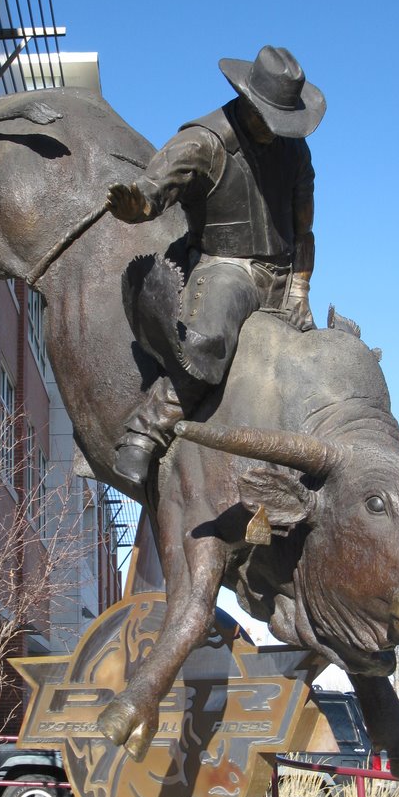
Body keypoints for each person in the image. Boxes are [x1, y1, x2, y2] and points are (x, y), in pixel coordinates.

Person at [107, 45, 326, 486]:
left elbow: (304, 229)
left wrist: (300, 291)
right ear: (248, 100)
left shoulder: (296, 154)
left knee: (316, 368)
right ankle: (143, 431)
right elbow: (154, 187)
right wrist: (139, 203)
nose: (276, 129)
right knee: (206, 346)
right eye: (269, 117)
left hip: (283, 278)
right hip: (227, 267)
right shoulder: (204, 141)